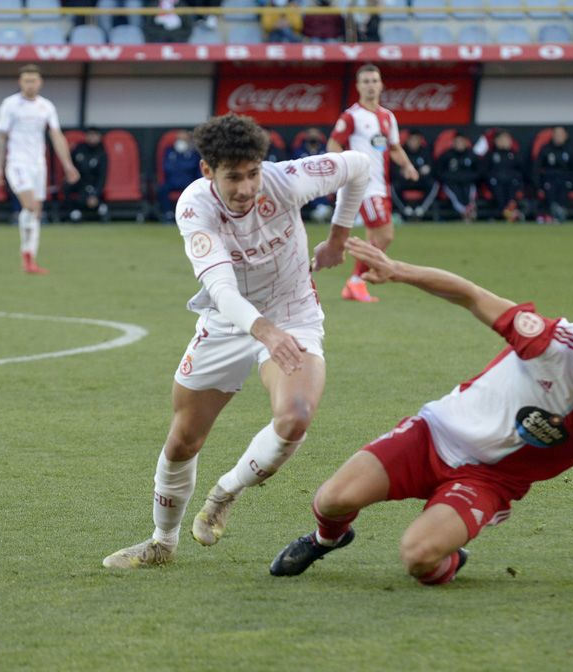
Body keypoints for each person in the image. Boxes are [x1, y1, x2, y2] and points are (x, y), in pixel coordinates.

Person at [271, 238, 573, 586]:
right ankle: (326, 540)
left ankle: (450, 557)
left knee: (418, 557)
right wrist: (398, 270)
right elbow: (471, 295)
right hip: (434, 433)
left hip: (489, 481)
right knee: (331, 499)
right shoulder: (551, 342)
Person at [102, 113, 372, 569]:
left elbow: (360, 165)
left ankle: (225, 493)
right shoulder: (194, 208)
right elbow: (223, 291)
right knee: (184, 439)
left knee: (295, 417)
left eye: (252, 174)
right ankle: (161, 544)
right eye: (233, 177)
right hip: (227, 322)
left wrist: (338, 238)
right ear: (208, 171)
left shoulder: (286, 179)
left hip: (293, 315)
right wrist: (263, 330)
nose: (246, 188)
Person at [328, 64, 420, 303]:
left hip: (381, 184)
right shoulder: (351, 116)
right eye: (366, 81)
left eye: (374, 81)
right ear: (358, 86)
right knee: (385, 235)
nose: (370, 85)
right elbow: (333, 144)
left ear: (381, 85)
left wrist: (408, 166)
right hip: (364, 185)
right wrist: (344, 169)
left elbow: (394, 147)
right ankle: (357, 280)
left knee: (375, 238)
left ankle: (355, 284)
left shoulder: (387, 116)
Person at [0, 64, 79, 275]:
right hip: (17, 163)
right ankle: (26, 256)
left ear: (40, 83)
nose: (30, 85)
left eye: (33, 80)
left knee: (36, 211)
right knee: (30, 206)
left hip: (38, 165)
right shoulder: (10, 105)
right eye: (26, 80)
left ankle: (30, 258)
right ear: (20, 82)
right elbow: (0, 137)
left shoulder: (46, 107)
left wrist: (68, 165)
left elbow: (56, 136)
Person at [390, 129, 437, 221]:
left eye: (416, 140)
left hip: (420, 179)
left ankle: (421, 209)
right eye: (412, 140)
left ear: (420, 141)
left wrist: (426, 170)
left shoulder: (425, 151)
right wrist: (402, 172)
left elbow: (431, 167)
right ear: (408, 140)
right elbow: (394, 169)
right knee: (393, 186)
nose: (414, 142)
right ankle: (406, 210)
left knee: (433, 184)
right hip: (405, 180)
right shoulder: (402, 151)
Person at [481, 129, 527, 222]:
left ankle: (507, 212)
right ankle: (508, 214)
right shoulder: (491, 154)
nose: (504, 142)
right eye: (501, 139)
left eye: (506, 139)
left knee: (513, 186)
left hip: (512, 181)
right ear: (496, 141)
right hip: (496, 182)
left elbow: (522, 170)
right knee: (498, 188)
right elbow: (484, 171)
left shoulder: (514, 154)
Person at [66, 126, 109, 223]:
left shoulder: (102, 153)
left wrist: (95, 194)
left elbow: (102, 177)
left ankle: (99, 206)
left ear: (99, 137)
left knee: (90, 195)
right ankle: (73, 211)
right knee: (67, 184)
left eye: (95, 135)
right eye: (90, 135)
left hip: (93, 183)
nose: (92, 138)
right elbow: (71, 165)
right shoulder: (79, 148)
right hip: (79, 182)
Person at [290, 128, 334, 222]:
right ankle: (316, 213)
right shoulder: (299, 151)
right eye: (311, 134)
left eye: (316, 134)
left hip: (322, 182)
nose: (313, 137)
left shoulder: (324, 151)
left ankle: (322, 210)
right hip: (304, 182)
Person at [435, 134, 481, 222]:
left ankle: (468, 211)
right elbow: (439, 171)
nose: (459, 144)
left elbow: (479, 172)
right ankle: (465, 212)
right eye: (457, 142)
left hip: (468, 182)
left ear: (465, 143)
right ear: (453, 143)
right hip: (451, 182)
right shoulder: (446, 155)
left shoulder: (471, 155)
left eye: (461, 142)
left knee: (469, 192)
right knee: (455, 194)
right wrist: (452, 177)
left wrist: (466, 177)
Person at [158, 130, 201, 222]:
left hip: (188, 182)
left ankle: (191, 214)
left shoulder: (194, 154)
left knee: (196, 191)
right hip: (172, 181)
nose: (181, 142)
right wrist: (183, 166)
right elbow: (167, 167)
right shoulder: (169, 151)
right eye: (179, 139)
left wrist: (179, 165)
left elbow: (194, 168)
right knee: (162, 189)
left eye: (184, 139)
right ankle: (168, 214)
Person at [536, 126, 573, 223]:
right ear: (552, 135)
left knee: (564, 186)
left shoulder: (570, 149)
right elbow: (536, 169)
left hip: (565, 179)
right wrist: (538, 186)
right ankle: (552, 213)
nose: (559, 137)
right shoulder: (545, 149)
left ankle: (560, 212)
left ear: (566, 136)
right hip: (549, 179)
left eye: (561, 134)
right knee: (549, 187)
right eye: (556, 134)